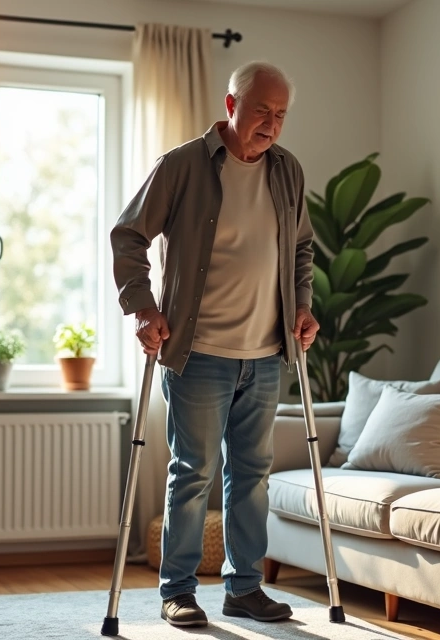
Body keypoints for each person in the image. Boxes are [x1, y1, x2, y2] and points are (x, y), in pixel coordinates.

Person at [110, 60, 319, 628]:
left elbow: (301, 249)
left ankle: (244, 588)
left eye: (280, 116)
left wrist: (302, 307)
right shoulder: (182, 166)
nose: (271, 126)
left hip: (266, 355)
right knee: (193, 473)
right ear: (231, 106)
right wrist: (142, 307)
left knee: (251, 476)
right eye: (261, 113)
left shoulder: (287, 171)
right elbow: (129, 236)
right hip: (198, 354)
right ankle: (177, 590)